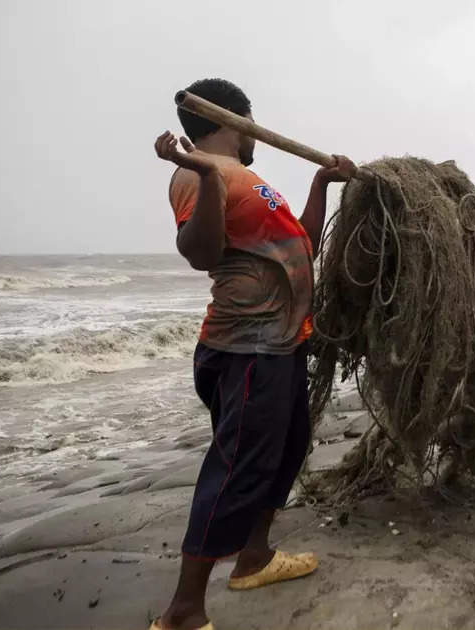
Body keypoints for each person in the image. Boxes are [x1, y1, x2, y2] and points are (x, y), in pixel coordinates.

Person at [150, 78, 356, 630]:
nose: (255, 133)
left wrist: (321, 182)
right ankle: (183, 612)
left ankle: (255, 558)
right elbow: (201, 252)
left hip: (282, 344)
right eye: (249, 122)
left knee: (286, 450)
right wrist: (207, 176)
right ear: (232, 123)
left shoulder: (252, 180)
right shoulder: (192, 174)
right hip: (245, 348)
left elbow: (300, 243)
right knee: (238, 466)